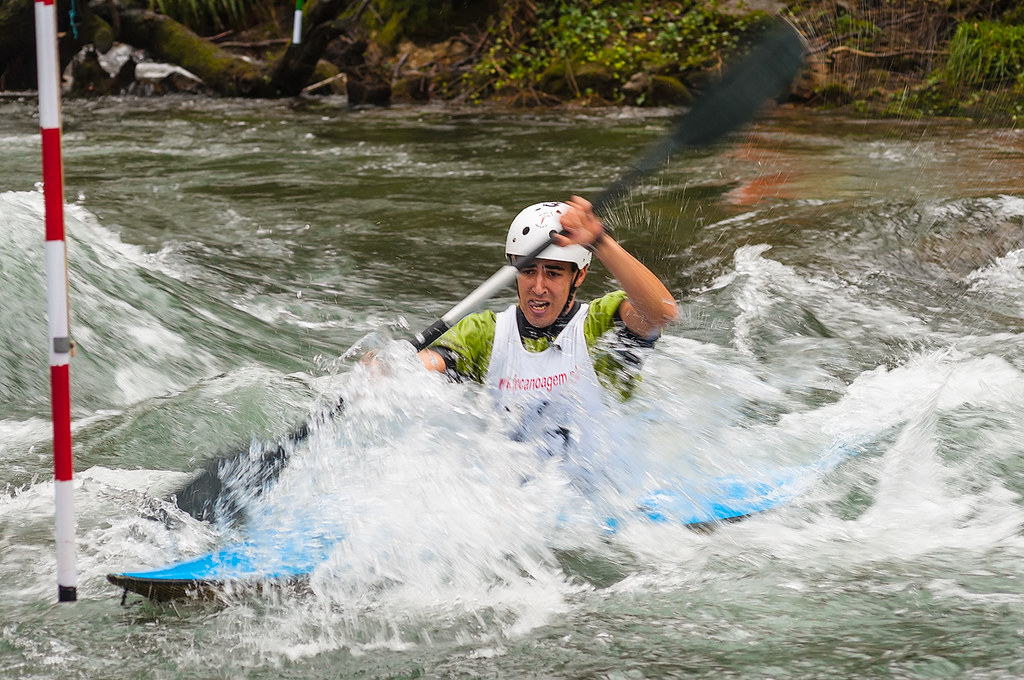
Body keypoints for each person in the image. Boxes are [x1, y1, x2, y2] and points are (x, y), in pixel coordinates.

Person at [418, 196, 678, 416]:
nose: (538, 287)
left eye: (553, 273)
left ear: (579, 275)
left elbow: (661, 313)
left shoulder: (601, 324)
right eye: (528, 271)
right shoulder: (483, 332)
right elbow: (425, 366)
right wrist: (388, 367)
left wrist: (600, 242)